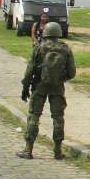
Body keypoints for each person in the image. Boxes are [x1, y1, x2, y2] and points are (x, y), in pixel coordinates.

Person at [18, 23, 76, 160]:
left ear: (45, 33)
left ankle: (28, 149)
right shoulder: (65, 49)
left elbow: (29, 71)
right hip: (57, 87)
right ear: (58, 33)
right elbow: (72, 72)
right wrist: (61, 78)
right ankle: (57, 151)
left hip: (39, 85)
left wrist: (25, 87)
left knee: (34, 116)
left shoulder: (39, 47)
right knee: (58, 117)